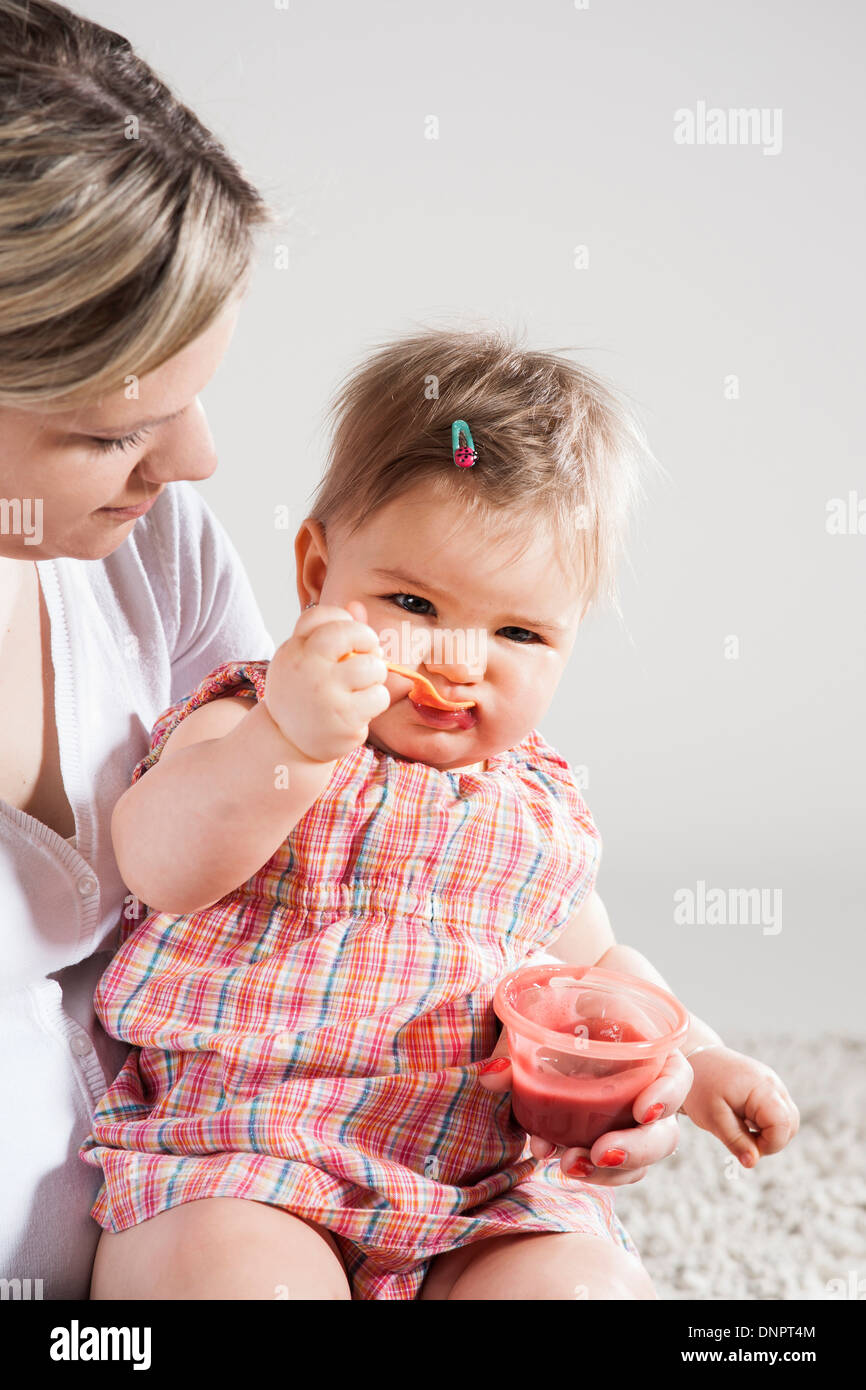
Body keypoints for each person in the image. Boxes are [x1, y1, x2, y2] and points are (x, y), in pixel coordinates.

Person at [79, 327, 800, 1301]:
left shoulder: (534, 801)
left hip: (481, 1185)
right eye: (413, 600)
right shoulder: (252, 719)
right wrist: (286, 745)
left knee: (580, 1288)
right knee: (232, 1280)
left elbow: (594, 973)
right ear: (315, 570)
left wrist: (691, 1058)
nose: (461, 661)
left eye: (516, 631)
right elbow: (160, 862)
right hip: (250, 1157)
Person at [0, 0, 279, 1298]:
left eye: (192, 399)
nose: (196, 462)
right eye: (116, 432)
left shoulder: (153, 551)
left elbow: (308, 870)